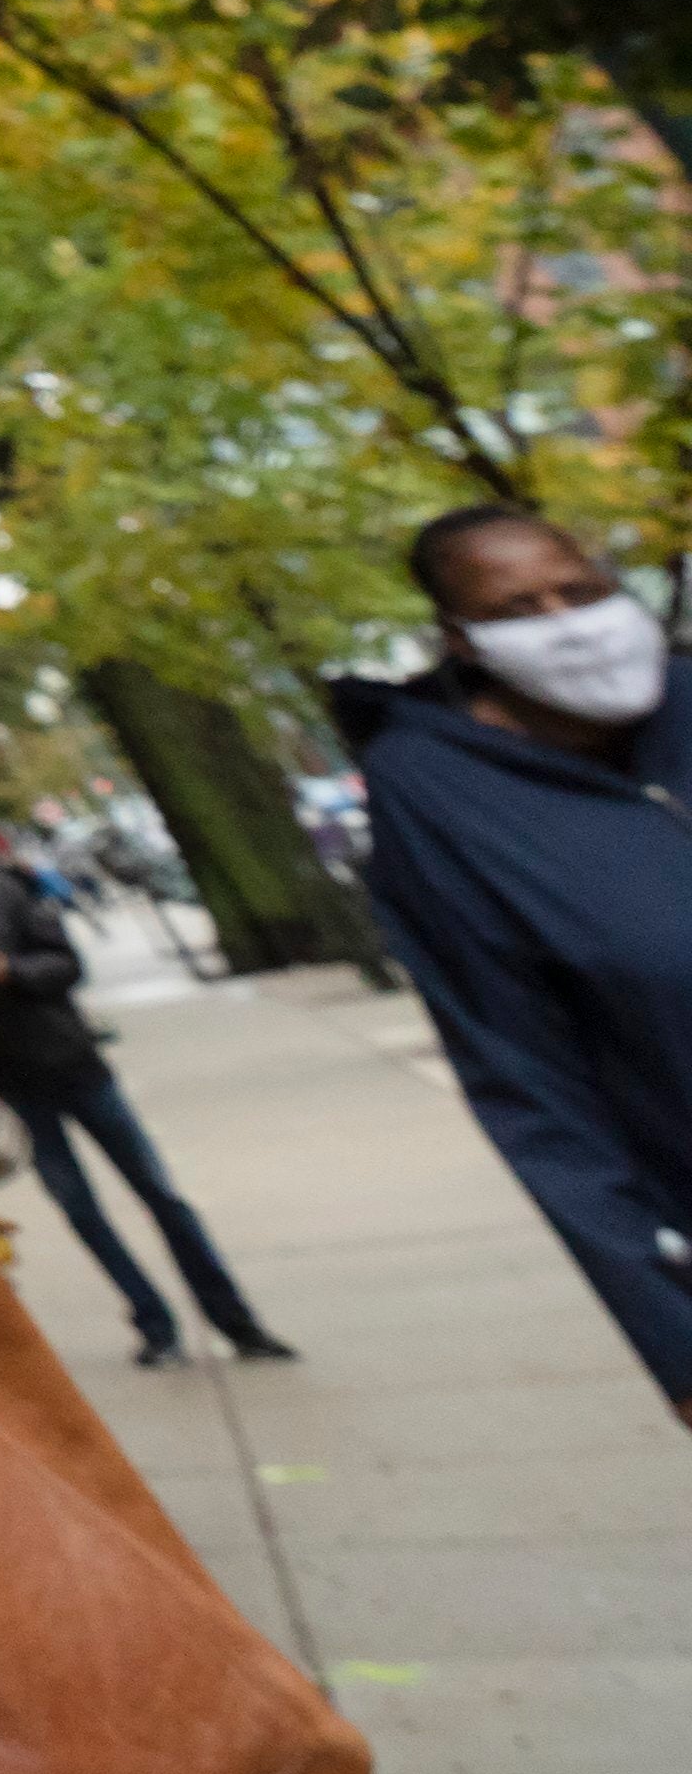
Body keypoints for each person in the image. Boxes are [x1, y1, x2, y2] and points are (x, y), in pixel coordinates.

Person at [326, 506, 692, 1421]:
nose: (570, 623)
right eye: (522, 609)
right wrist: (671, 1336)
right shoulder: (435, 793)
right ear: (463, 639)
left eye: (583, 591)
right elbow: (526, 1080)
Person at [0, 798, 294, 1368]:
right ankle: (152, 1322)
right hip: (9, 1081)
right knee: (81, 1209)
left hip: (73, 1063)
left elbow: (64, 963)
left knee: (159, 1195)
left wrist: (10, 971)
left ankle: (234, 1319)